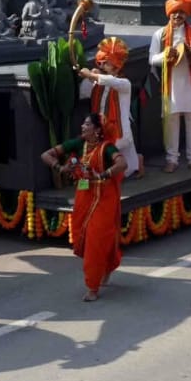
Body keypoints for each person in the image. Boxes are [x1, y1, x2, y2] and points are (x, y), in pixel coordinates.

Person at [41, 113, 126, 301]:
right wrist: (59, 168)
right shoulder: (78, 144)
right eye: (83, 123)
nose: (82, 126)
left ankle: (92, 287)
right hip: (84, 198)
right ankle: (108, 265)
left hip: (105, 198)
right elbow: (46, 155)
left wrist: (102, 175)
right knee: (86, 237)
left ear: (97, 129)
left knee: (96, 240)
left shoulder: (107, 148)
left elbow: (122, 163)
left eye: (87, 124)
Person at [149, 0, 191, 172]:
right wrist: (166, 55)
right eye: (174, 13)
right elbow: (152, 59)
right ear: (169, 14)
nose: (177, 16)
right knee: (172, 121)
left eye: (181, 12)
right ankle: (172, 159)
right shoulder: (160, 35)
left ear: (186, 14)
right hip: (171, 84)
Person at [79, 37, 139, 177]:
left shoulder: (124, 84)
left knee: (123, 165)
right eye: (102, 63)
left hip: (119, 128)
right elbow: (83, 93)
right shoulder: (98, 81)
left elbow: (111, 81)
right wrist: (88, 79)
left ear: (116, 66)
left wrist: (93, 75)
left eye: (107, 63)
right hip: (100, 126)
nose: (103, 66)